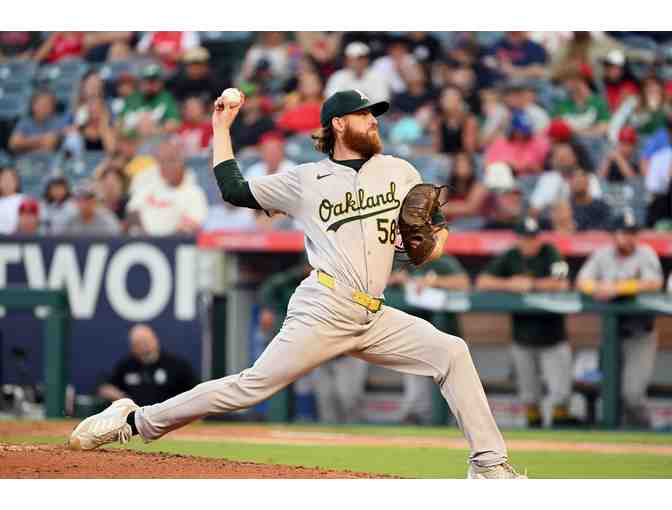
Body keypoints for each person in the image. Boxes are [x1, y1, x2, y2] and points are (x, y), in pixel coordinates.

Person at [70, 88, 526, 479]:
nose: (374, 121)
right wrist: (222, 128)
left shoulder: (400, 170)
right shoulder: (307, 180)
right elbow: (234, 189)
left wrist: (433, 243)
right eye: (366, 114)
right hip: (324, 306)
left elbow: (435, 228)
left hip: (374, 312)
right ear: (340, 124)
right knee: (249, 388)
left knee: (451, 351)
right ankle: (135, 420)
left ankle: (489, 465)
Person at [476, 218, 577, 428]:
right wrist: (509, 283)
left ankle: (561, 438)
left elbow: (562, 283)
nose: (530, 243)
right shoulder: (511, 256)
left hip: (553, 336)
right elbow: (482, 281)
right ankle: (536, 437)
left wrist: (530, 284)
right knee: (529, 396)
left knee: (560, 395)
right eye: (525, 238)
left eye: (533, 238)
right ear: (518, 239)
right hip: (522, 336)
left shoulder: (550, 252)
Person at [576, 213, 664, 428]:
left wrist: (619, 288)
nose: (629, 238)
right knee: (608, 390)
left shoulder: (645, 254)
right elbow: (582, 281)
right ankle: (614, 435)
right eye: (624, 233)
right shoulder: (602, 255)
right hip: (611, 334)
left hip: (640, 333)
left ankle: (645, 432)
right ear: (614, 235)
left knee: (632, 394)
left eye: (633, 233)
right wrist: (598, 288)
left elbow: (654, 283)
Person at [387, 255, 471, 424]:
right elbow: (372, 283)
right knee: (415, 386)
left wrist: (433, 282)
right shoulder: (402, 261)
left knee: (453, 383)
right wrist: (395, 280)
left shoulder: (442, 262)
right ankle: (414, 418)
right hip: (412, 337)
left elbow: (464, 283)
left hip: (444, 333)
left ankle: (459, 420)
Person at [98, 324, 198, 407]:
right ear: (132, 346)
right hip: (136, 417)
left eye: (146, 341)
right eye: (138, 343)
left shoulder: (176, 365)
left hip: (170, 418)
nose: (143, 346)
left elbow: (195, 392)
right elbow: (108, 388)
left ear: (155, 340)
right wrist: (118, 396)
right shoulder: (126, 365)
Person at [126, 137, 208, 236]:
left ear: (181, 162)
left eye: (171, 160)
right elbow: (132, 212)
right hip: (143, 242)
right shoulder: (148, 186)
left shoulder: (194, 193)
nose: (165, 166)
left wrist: (164, 242)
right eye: (162, 161)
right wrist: (147, 235)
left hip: (175, 245)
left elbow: (191, 226)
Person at [118, 64, 181, 136]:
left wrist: (156, 130)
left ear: (161, 82)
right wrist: (136, 131)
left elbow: (175, 122)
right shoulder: (132, 98)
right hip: (134, 141)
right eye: (148, 81)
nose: (151, 84)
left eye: (154, 80)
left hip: (158, 140)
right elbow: (120, 124)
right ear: (141, 82)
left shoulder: (166, 98)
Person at [484, 110, 550, 176]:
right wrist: (507, 165)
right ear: (513, 130)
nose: (523, 134)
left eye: (525, 130)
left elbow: (541, 168)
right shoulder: (499, 143)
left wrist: (525, 167)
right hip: (503, 178)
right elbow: (488, 167)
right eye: (519, 131)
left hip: (530, 179)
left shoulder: (537, 142)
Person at [324, 42, 390, 102]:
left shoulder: (378, 76)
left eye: (360, 59)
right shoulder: (338, 76)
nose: (355, 63)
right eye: (351, 59)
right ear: (346, 60)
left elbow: (382, 100)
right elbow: (332, 100)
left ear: (367, 59)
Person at [431, 86, 479, 156]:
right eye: (446, 97)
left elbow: (469, 149)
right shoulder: (437, 121)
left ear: (460, 101)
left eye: (453, 98)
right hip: (443, 160)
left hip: (465, 160)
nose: (449, 101)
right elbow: (436, 148)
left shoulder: (469, 120)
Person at [0, 167, 24, 234]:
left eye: (11, 179)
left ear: (17, 182)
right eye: (4, 179)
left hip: (15, 240)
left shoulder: (24, 200)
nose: (7, 182)